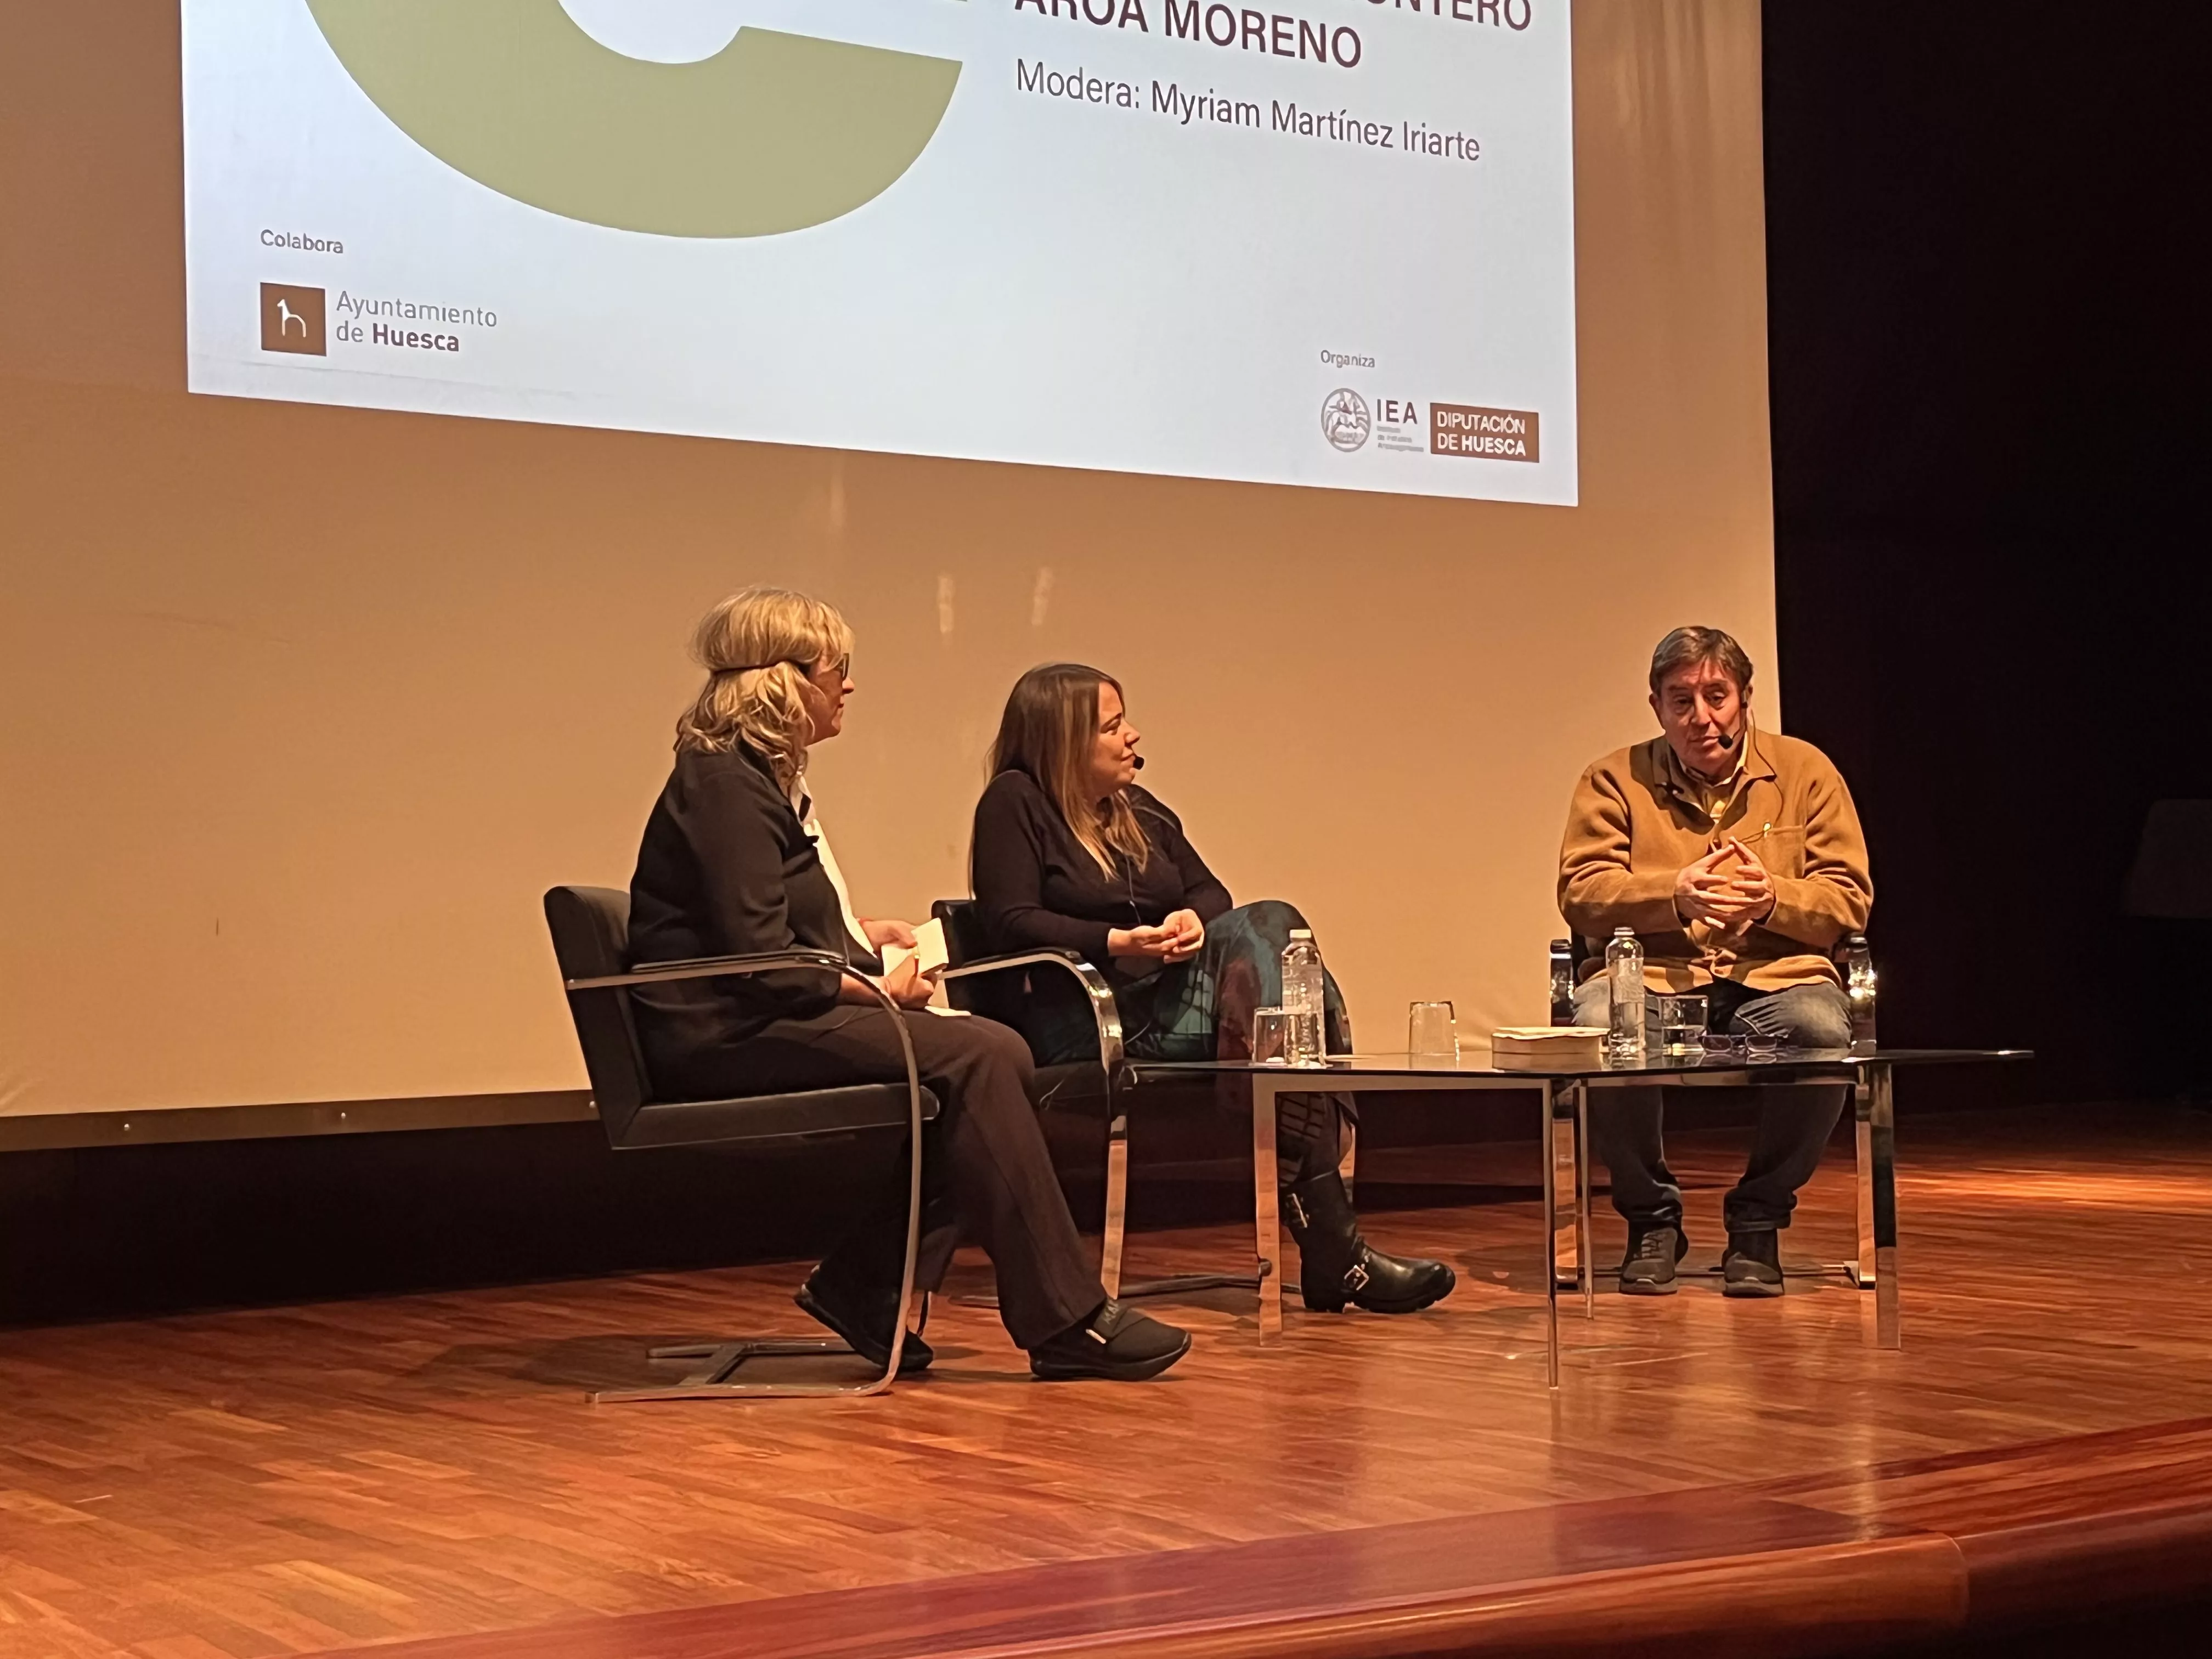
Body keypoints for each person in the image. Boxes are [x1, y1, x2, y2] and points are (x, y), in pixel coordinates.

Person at [627, 590, 1190, 1381]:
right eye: (837, 670)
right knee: (985, 1055)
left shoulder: (750, 779)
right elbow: (759, 961)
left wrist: (860, 939)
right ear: (783, 681)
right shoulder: (726, 786)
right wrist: (877, 993)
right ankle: (1063, 1318)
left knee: (978, 1064)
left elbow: (765, 928)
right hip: (723, 1036)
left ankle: (865, 1285)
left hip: (752, 1016)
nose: (847, 686)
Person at [968, 663, 1455, 1316]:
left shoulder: (1136, 809)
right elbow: (1009, 919)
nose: (1133, 736)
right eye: (1112, 727)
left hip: (1164, 1004)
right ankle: (1332, 1243)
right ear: (1063, 741)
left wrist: (1189, 921)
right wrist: (1120, 941)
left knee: (1278, 928)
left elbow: (1210, 892)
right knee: (1280, 978)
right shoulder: (1016, 802)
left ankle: (1311, 1191)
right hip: (1086, 1014)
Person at [1559, 625, 1873, 1297]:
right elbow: (1581, 895)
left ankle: (1759, 1217)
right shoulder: (1612, 780)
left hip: (1775, 975)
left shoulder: (1806, 773)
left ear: (1745, 699)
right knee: (1600, 1026)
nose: (1701, 717)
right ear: (1657, 707)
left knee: (1822, 1031)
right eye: (1681, 701)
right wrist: (1673, 891)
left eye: (1716, 696)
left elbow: (1849, 902)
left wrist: (1773, 900)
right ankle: (1652, 1221)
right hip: (1656, 976)